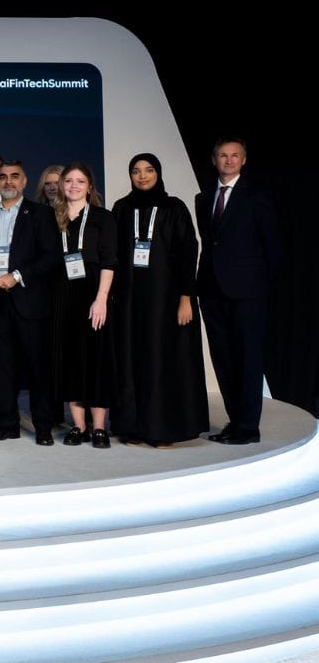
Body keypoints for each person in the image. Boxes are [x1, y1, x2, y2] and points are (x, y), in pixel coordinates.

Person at [110, 153, 209, 446]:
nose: (142, 176)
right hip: (129, 302)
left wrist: (186, 297)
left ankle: (163, 430)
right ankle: (133, 428)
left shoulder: (174, 207)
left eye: (149, 170)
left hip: (165, 301)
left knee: (162, 361)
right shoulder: (122, 208)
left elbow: (188, 252)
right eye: (136, 171)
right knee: (132, 360)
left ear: (158, 173)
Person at [195, 137, 281, 444]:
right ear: (214, 159)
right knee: (223, 358)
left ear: (243, 160)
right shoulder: (204, 198)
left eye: (235, 155)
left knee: (248, 359)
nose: (229, 160)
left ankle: (248, 427)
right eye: (223, 155)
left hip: (248, 292)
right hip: (211, 290)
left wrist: (260, 285)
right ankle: (235, 421)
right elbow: (210, 245)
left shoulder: (257, 196)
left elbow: (272, 246)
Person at [0, 160, 61, 445]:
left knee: (38, 368)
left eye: (14, 176)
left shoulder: (41, 214)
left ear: (24, 182)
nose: (8, 181)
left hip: (30, 302)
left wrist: (17, 276)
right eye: (3, 177)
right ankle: (6, 424)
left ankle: (43, 427)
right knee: (1, 368)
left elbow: (51, 257)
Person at [49, 162, 119, 447]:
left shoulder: (103, 217)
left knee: (97, 359)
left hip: (93, 294)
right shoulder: (52, 216)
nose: (74, 186)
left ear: (90, 186)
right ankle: (78, 426)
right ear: (61, 185)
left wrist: (101, 299)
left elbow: (109, 261)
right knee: (69, 360)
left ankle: (99, 427)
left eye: (80, 181)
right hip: (61, 295)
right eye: (69, 181)